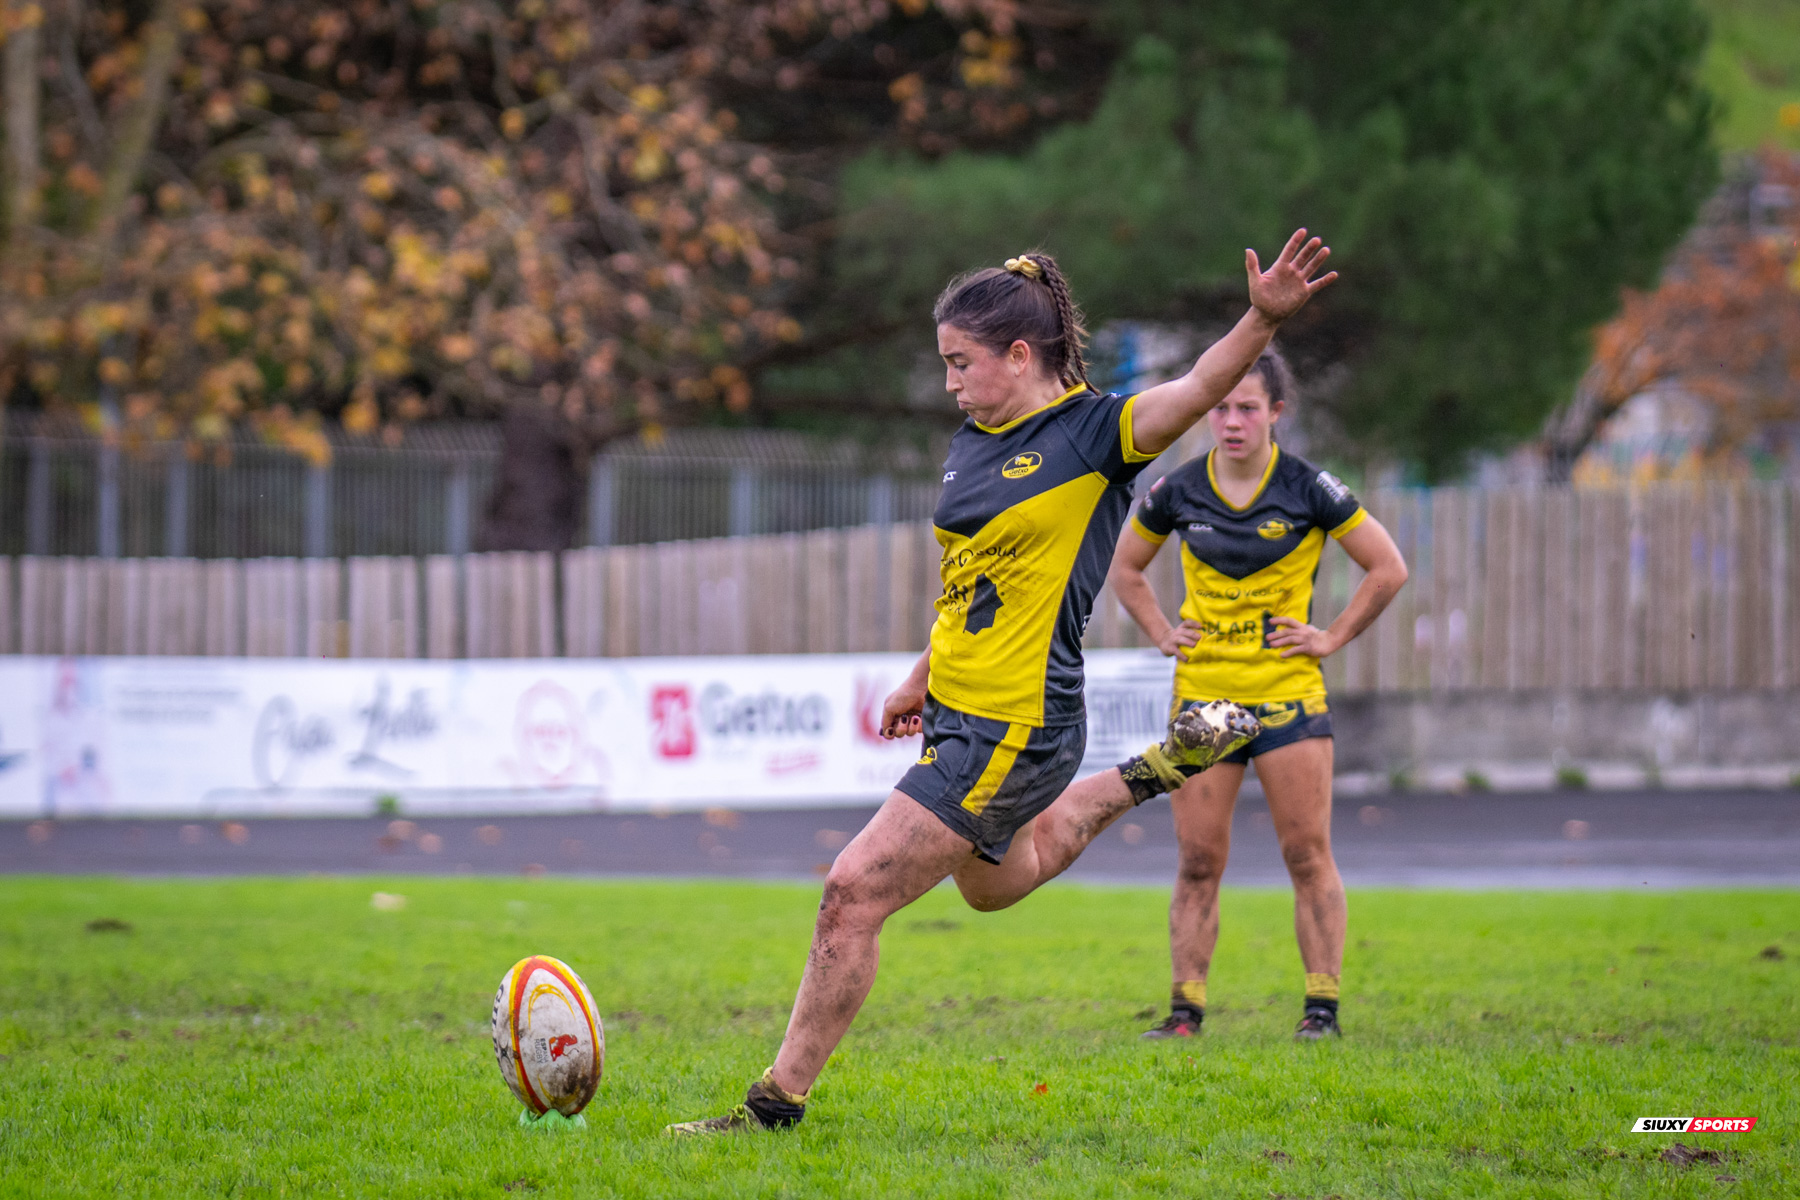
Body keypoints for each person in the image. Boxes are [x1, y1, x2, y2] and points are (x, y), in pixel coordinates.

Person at [667, 229, 1337, 1134]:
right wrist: (921, 676)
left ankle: (772, 1106)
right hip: (965, 709)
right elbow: (967, 585)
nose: (949, 383)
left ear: (1020, 356)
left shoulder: (1100, 434)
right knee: (991, 886)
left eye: (960, 363)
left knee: (853, 889)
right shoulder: (970, 442)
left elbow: (1203, 386)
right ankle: (1151, 772)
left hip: (1017, 721)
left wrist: (1260, 318)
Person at [1107, 348, 1407, 1042]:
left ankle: (1321, 1011)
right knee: (1198, 859)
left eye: (1247, 407)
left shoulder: (1311, 489)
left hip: (1288, 702)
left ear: (1276, 412)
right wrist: (1160, 630)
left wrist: (1329, 638)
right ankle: (1185, 1013)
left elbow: (1387, 569)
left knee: (1307, 856)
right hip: (1206, 703)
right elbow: (1126, 568)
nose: (1231, 421)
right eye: (1221, 407)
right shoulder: (1178, 490)